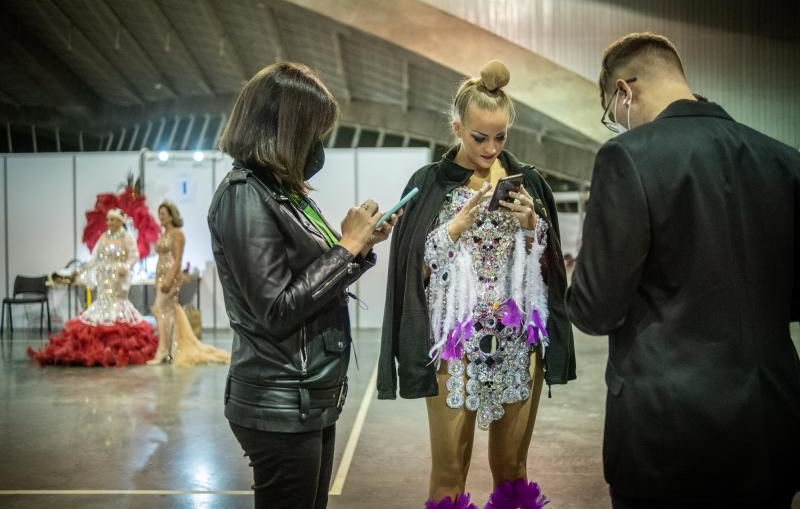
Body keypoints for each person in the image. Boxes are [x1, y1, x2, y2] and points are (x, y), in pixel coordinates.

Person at [566, 32, 800, 508]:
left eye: (614, 116)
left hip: (668, 432)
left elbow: (594, 309)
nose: (619, 127)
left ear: (624, 91)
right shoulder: (784, 160)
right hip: (772, 424)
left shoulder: (628, 157)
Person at [378, 60, 575, 508]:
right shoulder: (429, 184)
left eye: (501, 136)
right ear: (457, 128)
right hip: (454, 347)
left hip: (517, 345)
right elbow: (413, 271)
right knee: (450, 469)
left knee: (513, 470)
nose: (490, 148)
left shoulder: (529, 183)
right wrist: (450, 231)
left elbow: (548, 275)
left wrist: (530, 226)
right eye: (479, 137)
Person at [208, 62, 398, 509]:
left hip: (306, 396)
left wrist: (357, 248)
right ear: (285, 130)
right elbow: (276, 309)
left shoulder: (281, 194)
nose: (317, 146)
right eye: (312, 132)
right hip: (278, 404)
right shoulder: (244, 196)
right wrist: (346, 248)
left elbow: (310, 281)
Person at [29, 209, 157, 366]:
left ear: (120, 222)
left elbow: (134, 255)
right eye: (108, 220)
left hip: (118, 278)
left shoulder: (127, 237)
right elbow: (94, 258)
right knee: (102, 304)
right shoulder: (104, 237)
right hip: (104, 277)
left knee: (117, 305)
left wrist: (126, 266)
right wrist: (80, 270)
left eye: (112, 220)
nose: (109, 223)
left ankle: (115, 346)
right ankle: (102, 345)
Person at [147, 200, 230, 366]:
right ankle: (169, 349)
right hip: (160, 275)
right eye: (159, 214)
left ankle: (163, 351)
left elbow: (178, 259)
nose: (160, 217)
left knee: (159, 309)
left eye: (163, 214)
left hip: (171, 276)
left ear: (171, 216)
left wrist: (170, 278)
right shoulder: (163, 235)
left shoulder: (178, 234)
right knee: (166, 312)